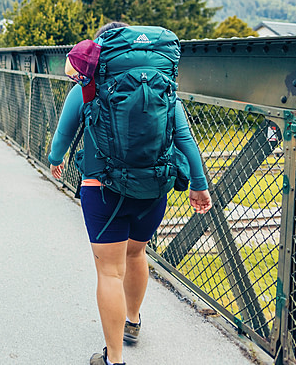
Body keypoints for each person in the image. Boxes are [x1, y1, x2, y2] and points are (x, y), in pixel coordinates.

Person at [48, 21, 212, 365]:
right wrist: (199, 185)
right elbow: (186, 140)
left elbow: (63, 133)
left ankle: (115, 359)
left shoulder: (88, 86)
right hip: (153, 188)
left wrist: (54, 159)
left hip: (102, 189)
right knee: (137, 255)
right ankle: (133, 322)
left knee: (109, 271)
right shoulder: (164, 90)